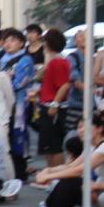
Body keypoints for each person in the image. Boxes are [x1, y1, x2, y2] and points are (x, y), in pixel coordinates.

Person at [19, 113, 104, 207]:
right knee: (67, 179)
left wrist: (48, 176)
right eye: (79, 127)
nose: (81, 131)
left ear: (99, 128)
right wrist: (48, 170)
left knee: (71, 181)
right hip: (97, 189)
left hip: (103, 190)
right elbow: (71, 166)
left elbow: (80, 170)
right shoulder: (90, 147)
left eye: (85, 127)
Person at [0, 28, 37, 180]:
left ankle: (20, 172)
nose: (8, 44)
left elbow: (20, 82)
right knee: (6, 137)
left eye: (12, 40)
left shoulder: (25, 60)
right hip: (4, 104)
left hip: (19, 104)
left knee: (17, 137)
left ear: (21, 43)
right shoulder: (2, 59)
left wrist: (5, 81)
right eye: (6, 41)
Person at [36, 28, 72, 167]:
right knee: (48, 147)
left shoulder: (58, 62)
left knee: (54, 146)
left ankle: (56, 177)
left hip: (53, 108)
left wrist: (54, 104)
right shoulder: (53, 61)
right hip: (48, 105)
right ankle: (51, 176)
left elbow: (64, 85)